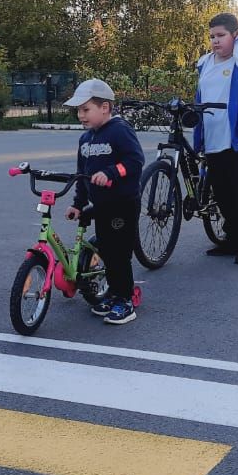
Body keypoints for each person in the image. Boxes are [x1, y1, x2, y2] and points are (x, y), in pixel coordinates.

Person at [65, 78, 145, 326]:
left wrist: (112, 172)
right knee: (108, 251)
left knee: (119, 253)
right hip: (102, 206)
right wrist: (78, 203)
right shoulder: (85, 140)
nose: (81, 115)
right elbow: (82, 176)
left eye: (85, 109)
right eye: (78, 110)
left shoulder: (120, 130)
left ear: (105, 107)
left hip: (122, 203)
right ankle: (113, 294)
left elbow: (135, 160)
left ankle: (125, 300)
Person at [195, 12, 238, 264]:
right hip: (214, 139)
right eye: (212, 36)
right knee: (223, 193)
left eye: (222, 35)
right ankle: (232, 239)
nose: (215, 41)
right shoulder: (204, 63)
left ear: (235, 35)